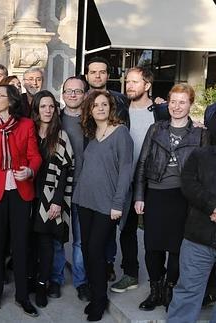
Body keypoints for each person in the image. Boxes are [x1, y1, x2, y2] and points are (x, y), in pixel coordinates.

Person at [134, 83, 210, 311]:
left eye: (182, 102)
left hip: (184, 199)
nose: (177, 107)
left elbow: (206, 170)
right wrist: (139, 195)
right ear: (168, 103)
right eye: (173, 102)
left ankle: (169, 290)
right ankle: (155, 290)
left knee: (177, 249)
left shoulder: (200, 133)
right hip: (156, 195)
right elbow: (142, 164)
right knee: (152, 248)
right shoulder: (156, 129)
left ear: (190, 104)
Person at [0, 84, 42, 317]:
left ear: (11, 100)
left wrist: (30, 172)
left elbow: (34, 156)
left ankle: (22, 297)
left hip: (21, 192)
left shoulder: (26, 125)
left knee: (21, 245)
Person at [72, 91, 133, 321]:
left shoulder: (121, 133)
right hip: (84, 200)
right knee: (87, 249)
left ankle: (100, 300)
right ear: (89, 109)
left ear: (111, 107)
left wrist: (118, 203)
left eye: (104, 104)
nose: (100, 108)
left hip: (107, 204)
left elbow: (126, 170)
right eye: (95, 105)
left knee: (97, 250)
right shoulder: (91, 133)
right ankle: (97, 294)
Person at [110, 67, 170, 294]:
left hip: (154, 181)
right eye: (128, 82)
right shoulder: (120, 111)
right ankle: (130, 273)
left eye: (135, 82)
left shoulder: (161, 112)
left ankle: (160, 277)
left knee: (155, 230)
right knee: (127, 229)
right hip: (127, 179)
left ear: (147, 85)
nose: (129, 86)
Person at [30, 90, 74, 308]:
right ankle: (32, 278)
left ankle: (43, 284)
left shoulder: (60, 135)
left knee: (48, 243)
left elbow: (66, 170)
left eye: (51, 106)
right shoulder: (29, 131)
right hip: (28, 195)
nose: (47, 110)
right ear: (36, 110)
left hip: (49, 199)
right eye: (43, 106)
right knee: (30, 242)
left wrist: (57, 201)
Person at [49, 76, 91, 302]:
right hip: (58, 189)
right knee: (57, 237)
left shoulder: (92, 121)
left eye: (78, 91)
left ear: (85, 94)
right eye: (68, 91)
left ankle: (81, 281)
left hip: (84, 189)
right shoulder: (54, 120)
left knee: (81, 240)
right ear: (62, 94)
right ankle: (55, 278)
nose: (73, 95)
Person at [166, 144, 216, 323]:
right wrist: (211, 206)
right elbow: (188, 183)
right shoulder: (200, 155)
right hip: (199, 238)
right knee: (188, 291)